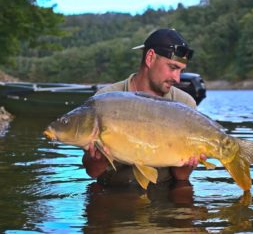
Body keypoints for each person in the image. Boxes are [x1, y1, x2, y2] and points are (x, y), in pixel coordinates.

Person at [82, 28, 206, 187]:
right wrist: (98, 159)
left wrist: (189, 164)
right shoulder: (106, 98)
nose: (177, 78)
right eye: (173, 68)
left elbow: (181, 177)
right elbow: (92, 172)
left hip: (163, 193)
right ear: (150, 58)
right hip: (115, 191)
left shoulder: (184, 103)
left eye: (181, 71)